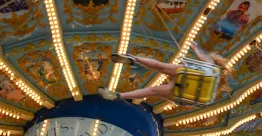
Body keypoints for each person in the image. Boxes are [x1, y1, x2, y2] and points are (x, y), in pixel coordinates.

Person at [98, 43, 232, 103]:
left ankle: (134, 59)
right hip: (187, 93)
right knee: (152, 91)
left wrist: (196, 49)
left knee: (159, 66)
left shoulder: (212, 66)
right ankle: (118, 96)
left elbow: (203, 58)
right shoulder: (214, 84)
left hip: (191, 74)